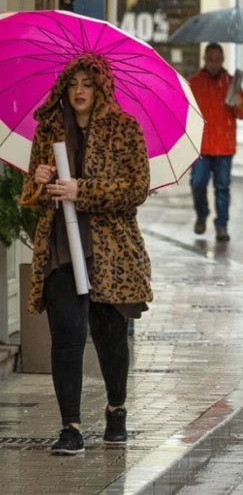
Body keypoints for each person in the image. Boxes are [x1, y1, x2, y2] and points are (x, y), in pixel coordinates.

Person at [20, 53, 152, 455]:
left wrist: (84, 191)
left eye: (88, 84)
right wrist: (41, 180)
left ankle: (116, 410)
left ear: (101, 88)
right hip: (61, 245)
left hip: (109, 250)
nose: (79, 91)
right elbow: (31, 194)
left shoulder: (125, 129)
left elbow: (136, 189)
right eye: (73, 83)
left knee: (109, 335)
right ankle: (71, 427)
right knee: (68, 334)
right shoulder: (49, 130)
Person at [188, 43, 243, 242]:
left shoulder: (232, 84)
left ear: (223, 60)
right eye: (210, 59)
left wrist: (240, 105)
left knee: (223, 188)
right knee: (198, 184)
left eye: (218, 59)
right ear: (204, 59)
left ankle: (222, 225)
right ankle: (202, 213)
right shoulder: (194, 83)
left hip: (224, 146)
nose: (214, 64)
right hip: (201, 146)